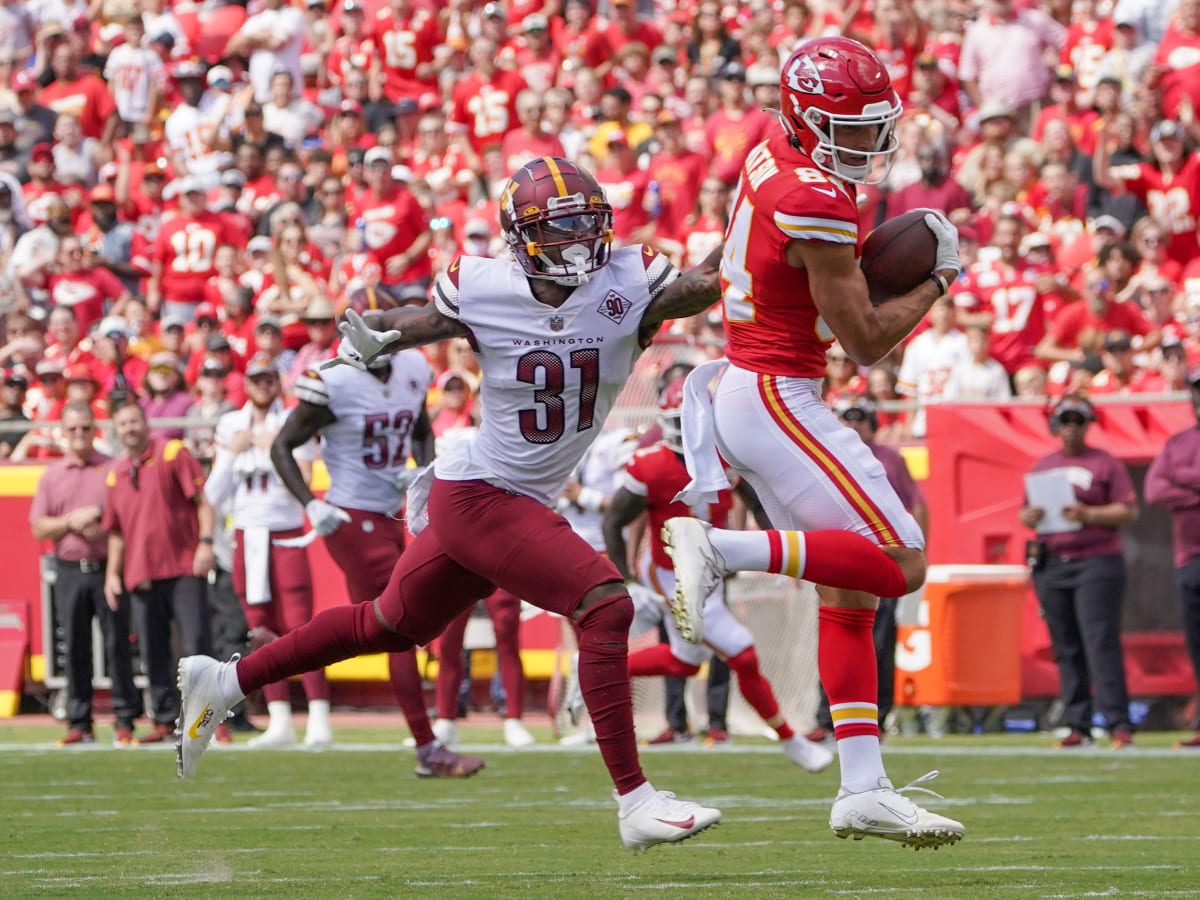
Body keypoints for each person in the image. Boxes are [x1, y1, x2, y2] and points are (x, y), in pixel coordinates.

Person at [179, 155, 725, 850]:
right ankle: (636, 801)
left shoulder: (627, 280)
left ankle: (224, 680)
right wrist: (381, 330)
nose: (577, 242)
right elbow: (424, 320)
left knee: (388, 624)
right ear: (520, 239)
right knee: (606, 604)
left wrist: (752, 220)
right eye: (557, 230)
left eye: (586, 225)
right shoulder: (483, 286)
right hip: (481, 492)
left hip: (505, 493)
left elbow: (702, 285)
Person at [660, 37, 965, 849]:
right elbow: (863, 339)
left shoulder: (770, 147)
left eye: (875, 128)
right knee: (902, 564)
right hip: (775, 393)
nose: (870, 145)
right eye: (854, 129)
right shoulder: (817, 197)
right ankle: (720, 549)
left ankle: (862, 787)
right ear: (811, 119)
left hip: (747, 384)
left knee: (849, 596)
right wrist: (938, 280)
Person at [273, 316, 485, 777]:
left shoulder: (411, 367)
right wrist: (311, 504)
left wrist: (422, 471)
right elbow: (282, 446)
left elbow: (419, 429)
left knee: (385, 626)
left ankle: (262, 673)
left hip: (392, 511)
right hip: (350, 514)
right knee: (397, 629)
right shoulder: (332, 380)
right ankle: (428, 746)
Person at [602, 378, 834, 773]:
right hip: (670, 575)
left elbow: (760, 508)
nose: (686, 428)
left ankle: (596, 666)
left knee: (683, 663)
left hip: (712, 572)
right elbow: (613, 521)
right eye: (679, 420)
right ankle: (791, 740)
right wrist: (624, 579)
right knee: (742, 653)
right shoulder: (651, 463)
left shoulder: (727, 459)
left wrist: (785, 553)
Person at [204, 352, 331, 750]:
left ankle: (318, 716)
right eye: (255, 379)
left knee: (300, 625)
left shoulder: (292, 419)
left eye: (268, 379)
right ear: (245, 383)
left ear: (278, 382)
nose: (262, 386)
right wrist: (232, 453)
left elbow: (307, 478)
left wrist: (272, 447)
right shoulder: (230, 424)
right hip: (247, 532)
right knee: (260, 629)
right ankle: (279, 720)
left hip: (285, 529)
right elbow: (212, 493)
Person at [1018, 395, 1138, 749]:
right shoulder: (1044, 465)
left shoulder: (1105, 464)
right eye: (1065, 420)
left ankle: (1118, 722)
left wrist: (1089, 514)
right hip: (1054, 561)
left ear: (1089, 424)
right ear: (1056, 425)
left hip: (1096, 560)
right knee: (1066, 646)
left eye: (1078, 420)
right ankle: (1078, 723)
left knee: (1100, 642)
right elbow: (1025, 513)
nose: (1071, 427)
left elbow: (1128, 511)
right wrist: (1030, 517)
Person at [809, 395, 930, 740]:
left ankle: (875, 717)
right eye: (848, 417)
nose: (854, 424)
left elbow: (918, 505)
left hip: (882, 557)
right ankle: (826, 716)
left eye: (861, 418)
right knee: (834, 635)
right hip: (841, 558)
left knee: (878, 643)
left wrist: (919, 554)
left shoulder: (888, 458)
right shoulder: (828, 457)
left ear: (873, 422)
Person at [102, 401, 215, 744]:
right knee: (153, 651)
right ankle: (166, 720)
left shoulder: (172, 453)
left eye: (134, 420)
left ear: (146, 422)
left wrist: (206, 543)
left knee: (196, 646)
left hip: (182, 566)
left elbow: (203, 503)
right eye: (122, 423)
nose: (130, 428)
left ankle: (208, 720)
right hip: (141, 573)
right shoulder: (115, 472)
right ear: (116, 429)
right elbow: (117, 531)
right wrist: (112, 573)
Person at [30, 401, 141, 746]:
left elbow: (126, 512)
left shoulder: (111, 468)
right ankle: (80, 721)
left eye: (85, 428)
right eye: (73, 428)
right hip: (69, 570)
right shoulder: (52, 474)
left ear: (96, 430)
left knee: (118, 645)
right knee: (74, 647)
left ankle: (125, 719)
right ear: (63, 432)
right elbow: (38, 527)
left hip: (108, 567)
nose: (80, 434)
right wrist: (71, 521)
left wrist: (97, 516)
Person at [1142, 365, 1200, 748]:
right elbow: (1155, 490)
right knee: (1197, 644)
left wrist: (1187, 483)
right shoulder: (1178, 442)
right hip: (1190, 557)